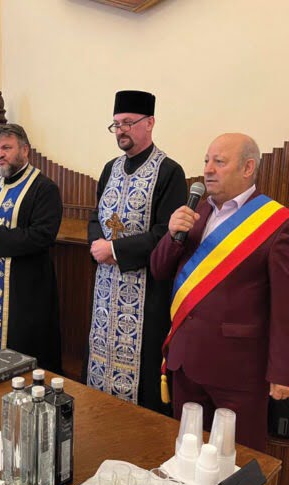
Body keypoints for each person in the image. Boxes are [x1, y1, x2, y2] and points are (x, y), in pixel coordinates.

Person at [150, 133, 289, 451]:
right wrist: (171, 234)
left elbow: (288, 305)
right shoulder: (196, 213)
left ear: (248, 168)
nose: (208, 169)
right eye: (207, 160)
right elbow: (159, 270)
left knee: (237, 459)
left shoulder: (278, 223)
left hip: (237, 370)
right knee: (187, 453)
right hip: (185, 361)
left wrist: (285, 371)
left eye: (219, 162)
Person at [85, 90, 187, 412]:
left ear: (150, 123)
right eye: (116, 124)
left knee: (142, 377)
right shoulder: (110, 169)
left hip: (146, 292)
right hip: (105, 289)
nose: (121, 131)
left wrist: (114, 249)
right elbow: (95, 216)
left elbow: (165, 232)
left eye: (128, 123)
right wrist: (97, 245)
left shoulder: (169, 171)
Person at [0, 124, 62, 372]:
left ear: (25, 150)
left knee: (23, 358)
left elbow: (43, 236)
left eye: (7, 148)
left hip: (24, 291)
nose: (0, 154)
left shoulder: (44, 188)